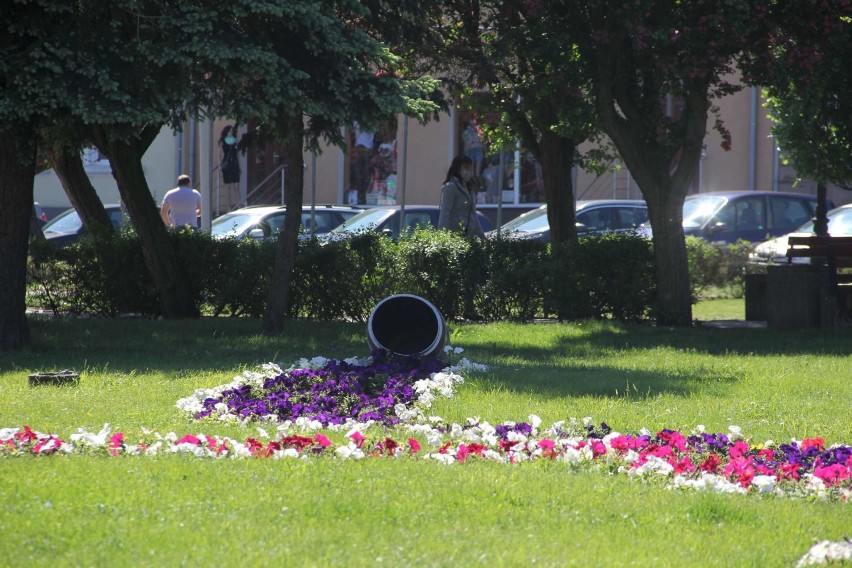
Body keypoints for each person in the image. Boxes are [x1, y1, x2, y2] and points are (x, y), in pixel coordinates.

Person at [438, 155, 485, 238]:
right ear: (457, 169)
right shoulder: (451, 187)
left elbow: (473, 214)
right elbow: (445, 212)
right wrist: (442, 236)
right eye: (466, 168)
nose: (469, 172)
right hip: (455, 236)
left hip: (469, 236)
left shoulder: (469, 188)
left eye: (471, 169)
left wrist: (482, 238)